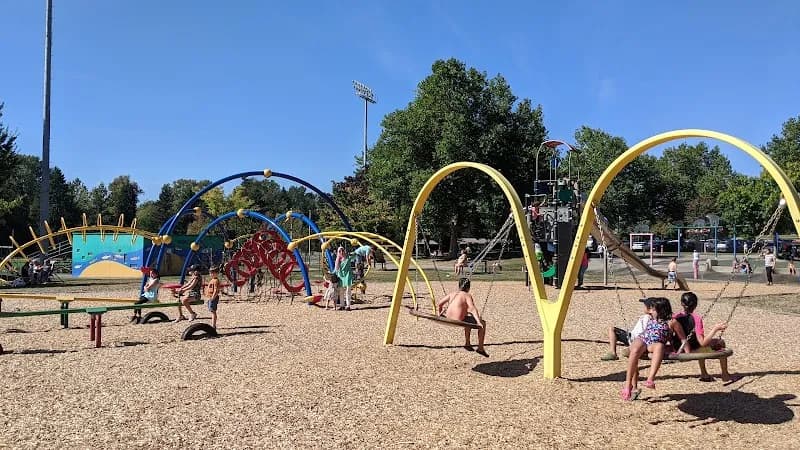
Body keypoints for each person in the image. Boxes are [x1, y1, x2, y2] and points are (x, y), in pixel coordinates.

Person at [621, 297, 688, 401]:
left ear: (661, 310)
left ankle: (650, 379)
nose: (650, 311)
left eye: (653, 309)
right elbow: (646, 309)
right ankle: (628, 385)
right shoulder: (651, 317)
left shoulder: (672, 322)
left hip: (655, 344)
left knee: (660, 346)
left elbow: (683, 339)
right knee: (634, 350)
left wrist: (683, 352)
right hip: (643, 339)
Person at [672, 292, 739, 383]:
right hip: (692, 350)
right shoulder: (696, 318)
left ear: (681, 303)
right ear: (696, 305)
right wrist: (715, 329)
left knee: (699, 345)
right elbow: (703, 343)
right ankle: (725, 375)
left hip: (678, 348)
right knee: (720, 342)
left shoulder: (675, 317)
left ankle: (704, 374)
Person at [436, 278, 488, 357]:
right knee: (483, 323)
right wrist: (478, 321)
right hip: (458, 320)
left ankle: (467, 344)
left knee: (468, 319)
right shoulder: (467, 295)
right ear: (468, 288)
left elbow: (440, 304)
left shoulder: (452, 294)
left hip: (448, 317)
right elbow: (472, 308)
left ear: (459, 286)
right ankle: (480, 348)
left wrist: (439, 314)